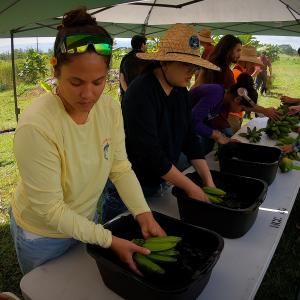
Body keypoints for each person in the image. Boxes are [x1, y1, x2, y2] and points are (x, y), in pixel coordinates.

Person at [9, 8, 165, 276]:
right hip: (43, 234)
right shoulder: (37, 125)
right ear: (55, 69)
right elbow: (50, 210)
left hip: (86, 222)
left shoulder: (110, 109)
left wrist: (143, 212)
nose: (89, 94)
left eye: (98, 81)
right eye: (76, 82)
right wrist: (108, 240)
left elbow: (120, 167)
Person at [101, 23, 220, 223]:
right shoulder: (141, 93)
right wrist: (191, 187)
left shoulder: (180, 90)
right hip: (130, 187)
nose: (192, 73)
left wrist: (208, 181)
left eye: (194, 66)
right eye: (186, 65)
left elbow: (189, 138)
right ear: (164, 63)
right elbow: (150, 154)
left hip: (161, 180)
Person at [190, 73, 257, 155]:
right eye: (242, 108)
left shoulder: (223, 103)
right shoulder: (215, 93)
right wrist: (216, 135)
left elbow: (206, 121)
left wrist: (223, 137)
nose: (241, 111)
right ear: (237, 99)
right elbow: (192, 121)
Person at [119, 35, 149, 101]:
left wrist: (129, 94)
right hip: (145, 98)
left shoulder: (125, 58)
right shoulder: (147, 59)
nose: (146, 46)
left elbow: (122, 78)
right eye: (146, 44)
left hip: (128, 98)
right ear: (142, 45)